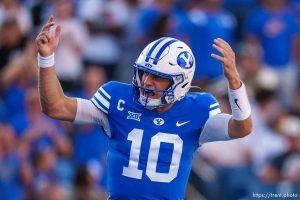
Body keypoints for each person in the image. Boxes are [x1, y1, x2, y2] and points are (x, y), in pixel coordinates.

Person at [35, 16, 252, 199]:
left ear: (180, 83)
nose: (147, 81)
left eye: (157, 77)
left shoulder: (198, 109)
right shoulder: (117, 99)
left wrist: (235, 84)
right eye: (144, 72)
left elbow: (242, 128)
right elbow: (55, 107)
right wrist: (46, 59)